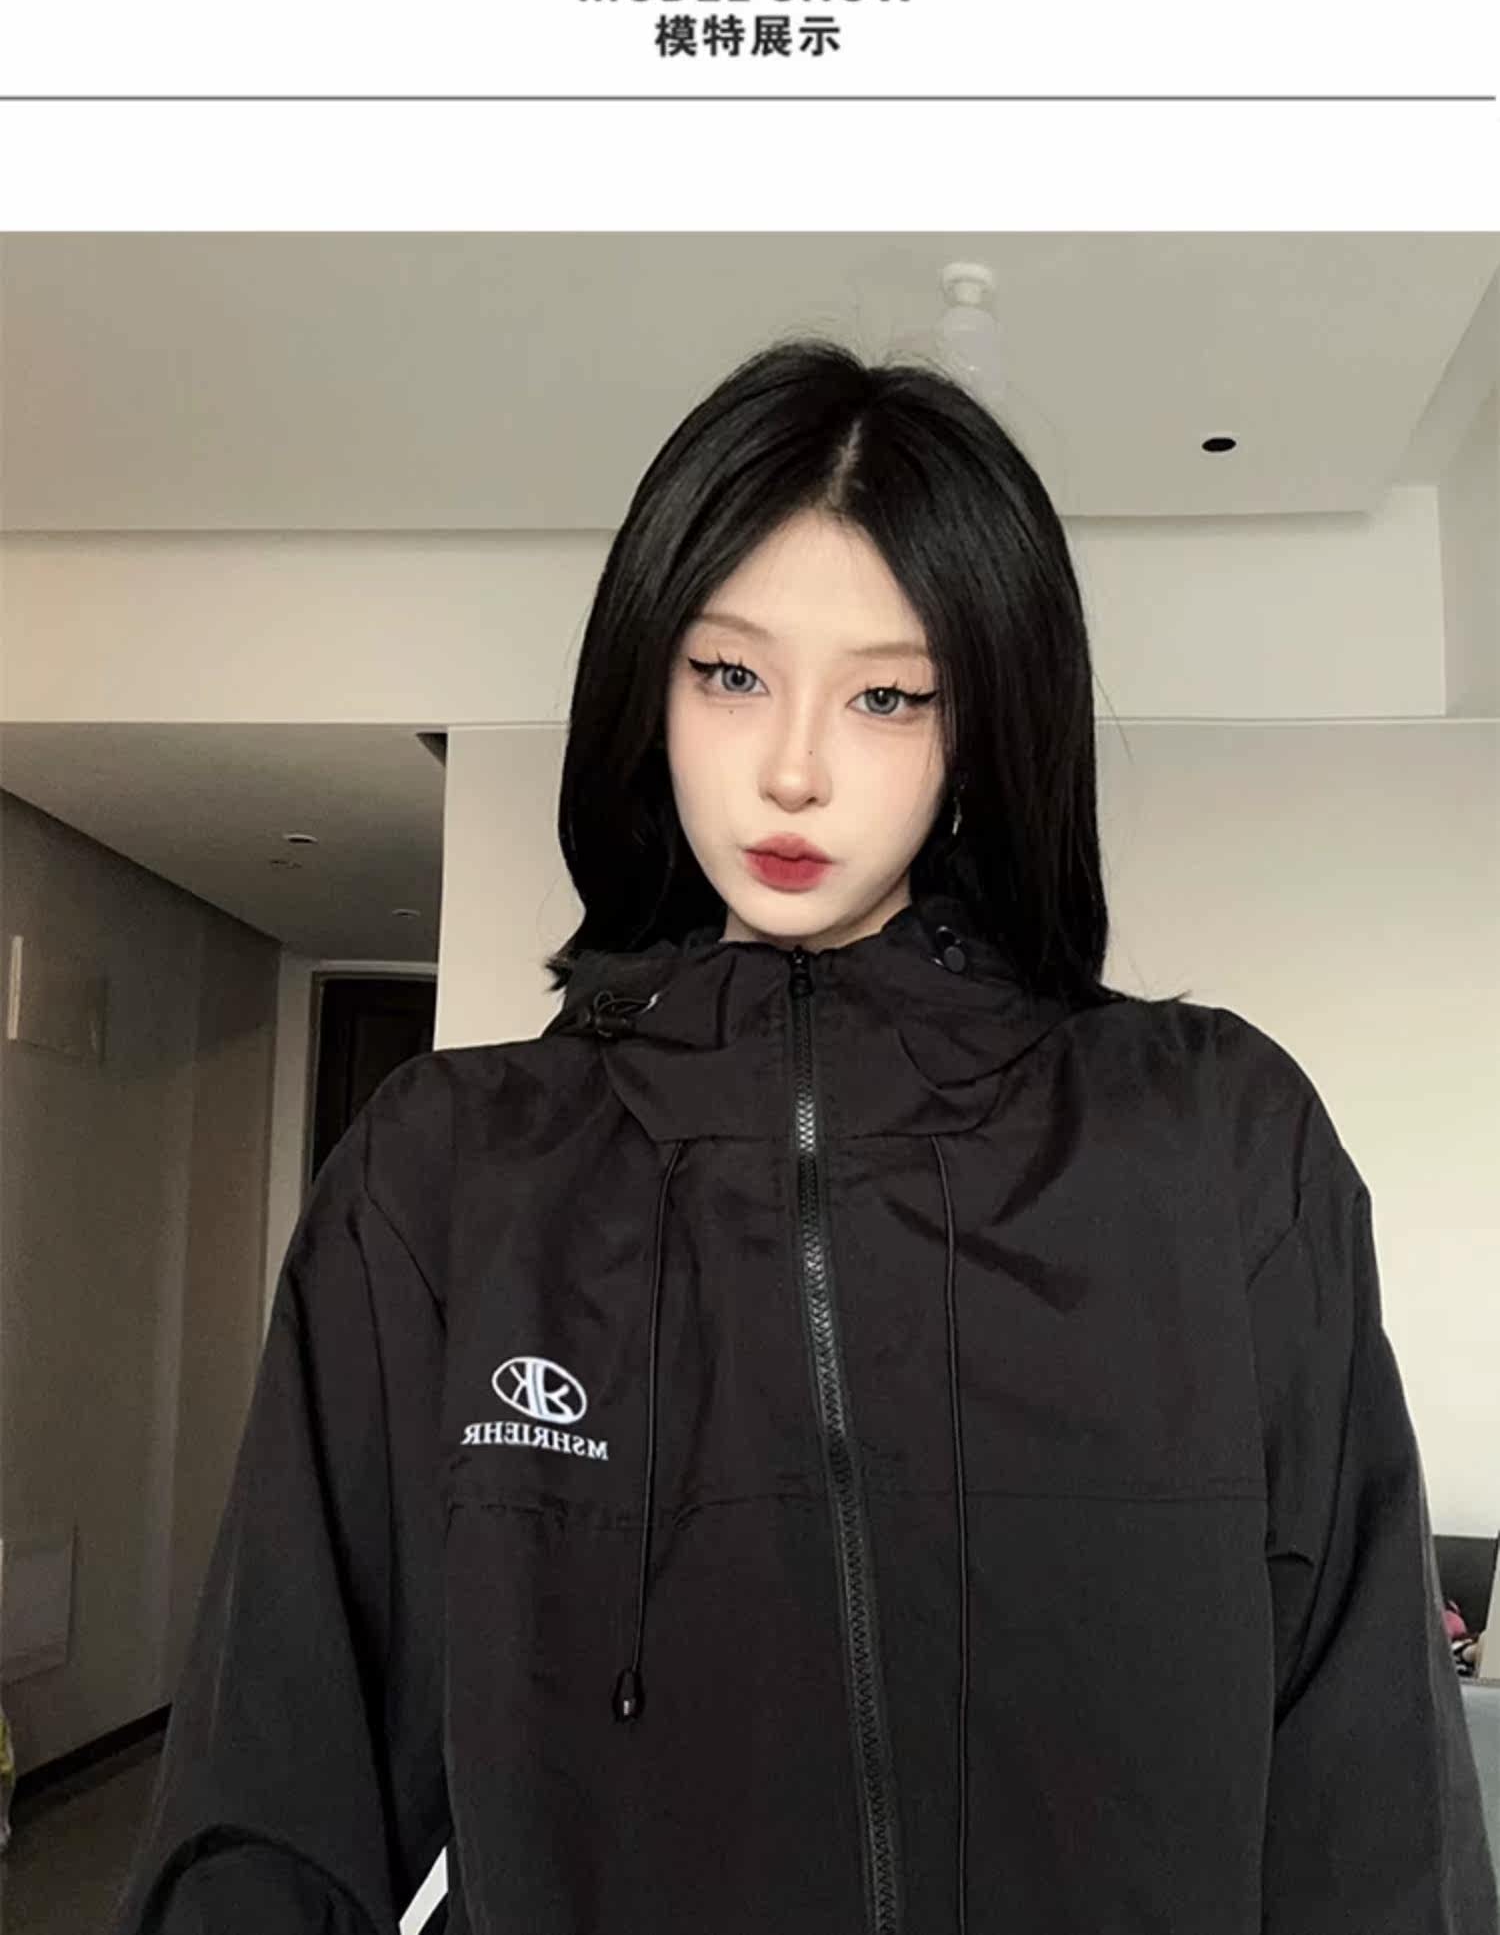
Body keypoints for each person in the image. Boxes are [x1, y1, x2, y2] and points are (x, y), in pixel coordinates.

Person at [109, 339, 1497, 1935]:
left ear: (982, 727)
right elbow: (269, 1803)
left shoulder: (1219, 1144)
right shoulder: (450, 1175)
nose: (793, 767)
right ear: (650, 684)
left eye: (888, 694)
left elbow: (1374, 1807)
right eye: (732, 673)